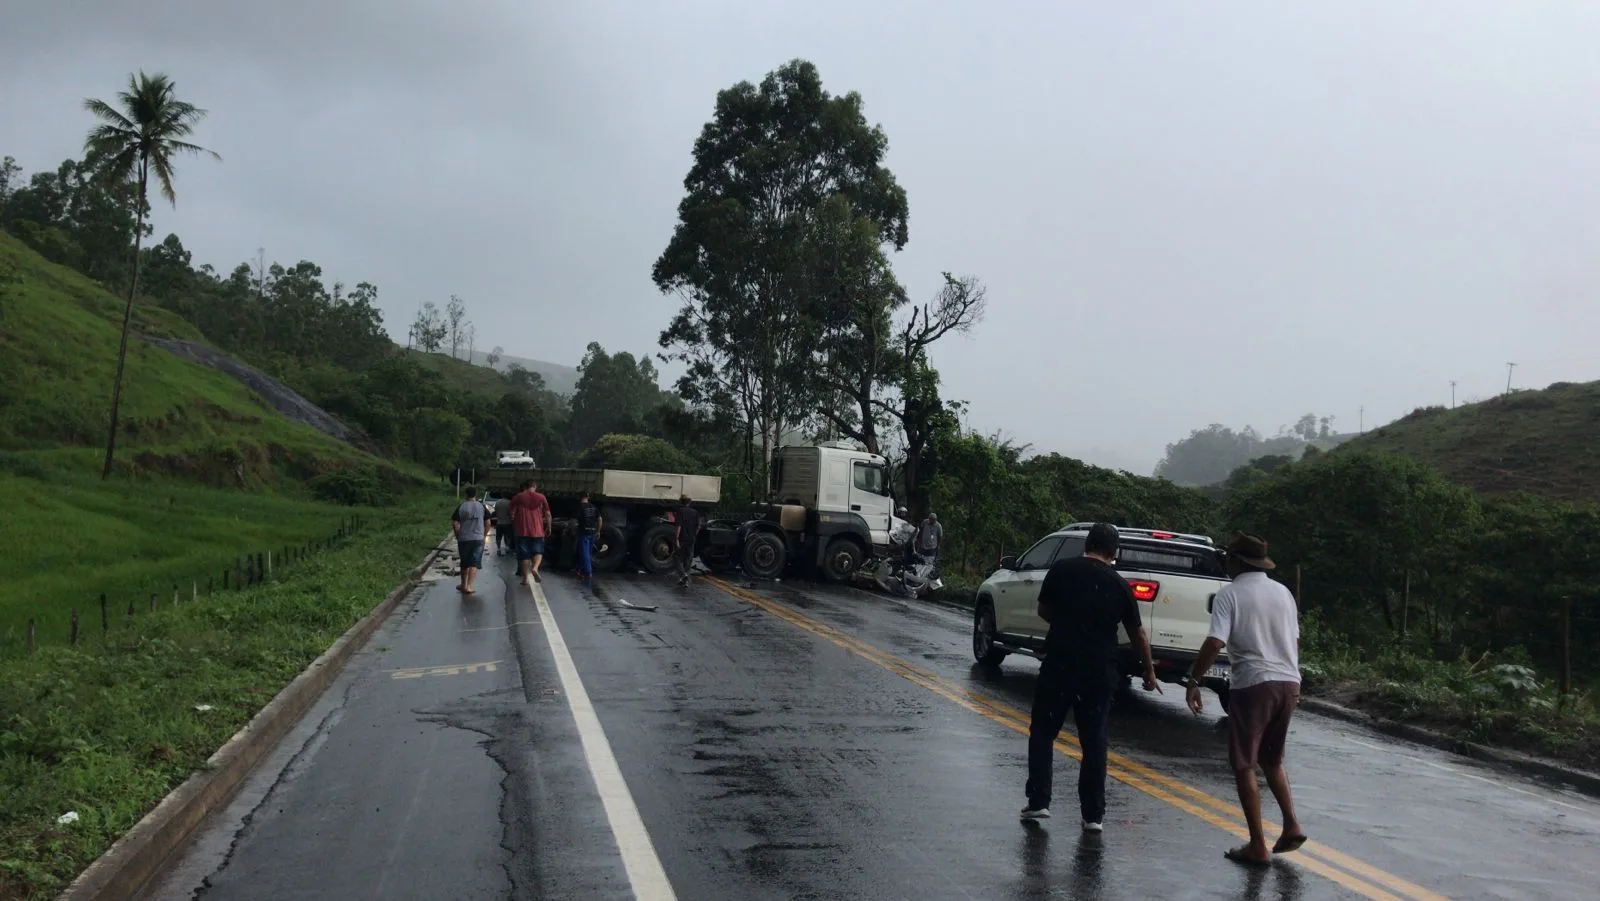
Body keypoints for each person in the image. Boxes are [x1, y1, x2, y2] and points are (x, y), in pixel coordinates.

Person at [1023, 522, 1161, 831]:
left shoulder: (1062, 569)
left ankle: (1039, 802)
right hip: (1100, 672)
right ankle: (1093, 815)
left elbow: (1044, 610)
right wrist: (1149, 671)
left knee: (1044, 732)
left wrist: (1067, 620)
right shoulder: (1120, 585)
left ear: (1088, 544)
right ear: (1114, 552)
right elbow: (1137, 633)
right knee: (1094, 741)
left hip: (1059, 664)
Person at [1184, 532, 1306, 867]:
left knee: (1243, 764)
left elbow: (1214, 642)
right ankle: (1292, 824)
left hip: (1254, 685)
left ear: (1236, 561)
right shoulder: (1283, 593)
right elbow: (1294, 644)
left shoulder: (1230, 595)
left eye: (1227, 558)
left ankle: (1257, 845)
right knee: (1273, 760)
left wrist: (1194, 680)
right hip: (1289, 682)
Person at [509, 479, 552, 585]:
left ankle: (525, 579)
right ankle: (535, 568)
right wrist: (549, 527)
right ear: (534, 486)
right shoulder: (541, 497)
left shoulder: (519, 497)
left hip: (523, 531)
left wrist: (515, 522)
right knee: (538, 551)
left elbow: (511, 512)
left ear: (526, 486)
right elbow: (548, 513)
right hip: (538, 530)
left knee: (525, 555)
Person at [451, 486, 489, 594]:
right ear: (475, 494)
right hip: (478, 539)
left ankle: (463, 584)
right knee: (474, 563)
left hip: (464, 539)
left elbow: (455, 523)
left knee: (464, 563)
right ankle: (470, 586)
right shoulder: (482, 506)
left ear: (466, 494)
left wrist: (457, 534)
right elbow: (488, 523)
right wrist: (484, 535)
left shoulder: (461, 506)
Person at [672, 494, 701, 587]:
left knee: (676, 558)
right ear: (689, 502)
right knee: (688, 559)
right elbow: (698, 526)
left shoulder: (680, 511)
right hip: (691, 539)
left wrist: (676, 539)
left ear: (681, 502)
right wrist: (694, 535)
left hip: (682, 538)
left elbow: (679, 526)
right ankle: (685, 580)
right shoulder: (695, 512)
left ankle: (683, 575)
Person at [575, 490, 603, 584]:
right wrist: (598, 531)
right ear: (588, 497)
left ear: (580, 497)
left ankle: (588, 572)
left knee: (584, 553)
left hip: (584, 533)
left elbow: (575, 521)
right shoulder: (594, 507)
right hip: (592, 532)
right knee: (588, 553)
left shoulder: (579, 507)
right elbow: (599, 519)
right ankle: (579, 569)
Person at [494, 491, 515, 556]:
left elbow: (495, 511)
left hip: (499, 522)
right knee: (508, 536)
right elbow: (511, 513)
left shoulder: (497, 502)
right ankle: (507, 547)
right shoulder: (509, 502)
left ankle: (498, 549)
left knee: (498, 537)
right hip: (507, 522)